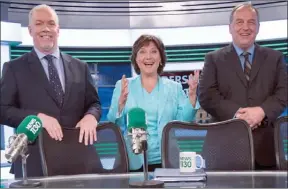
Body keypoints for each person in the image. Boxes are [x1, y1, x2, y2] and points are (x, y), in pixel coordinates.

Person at [0, 4, 101, 177]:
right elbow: (2, 110)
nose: (46, 28)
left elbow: (94, 104)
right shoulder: (14, 68)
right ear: (30, 30)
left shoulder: (80, 67)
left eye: (51, 23)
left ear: (58, 29)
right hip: (34, 162)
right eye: (39, 24)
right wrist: (36, 118)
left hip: (78, 158)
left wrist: (91, 116)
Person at [198, 3, 287, 170]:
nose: (245, 27)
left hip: (266, 151)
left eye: (251, 22)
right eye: (239, 22)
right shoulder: (213, 59)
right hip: (223, 150)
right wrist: (237, 113)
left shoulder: (275, 58)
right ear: (230, 27)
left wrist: (261, 111)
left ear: (258, 27)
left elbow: (283, 93)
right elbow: (206, 95)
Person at [107, 34, 200, 171]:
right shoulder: (123, 85)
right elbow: (114, 125)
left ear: (161, 58)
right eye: (142, 51)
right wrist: (120, 104)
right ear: (136, 59)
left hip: (169, 159)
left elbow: (183, 122)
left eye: (154, 51)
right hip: (135, 161)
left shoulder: (174, 88)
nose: (148, 57)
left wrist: (191, 96)